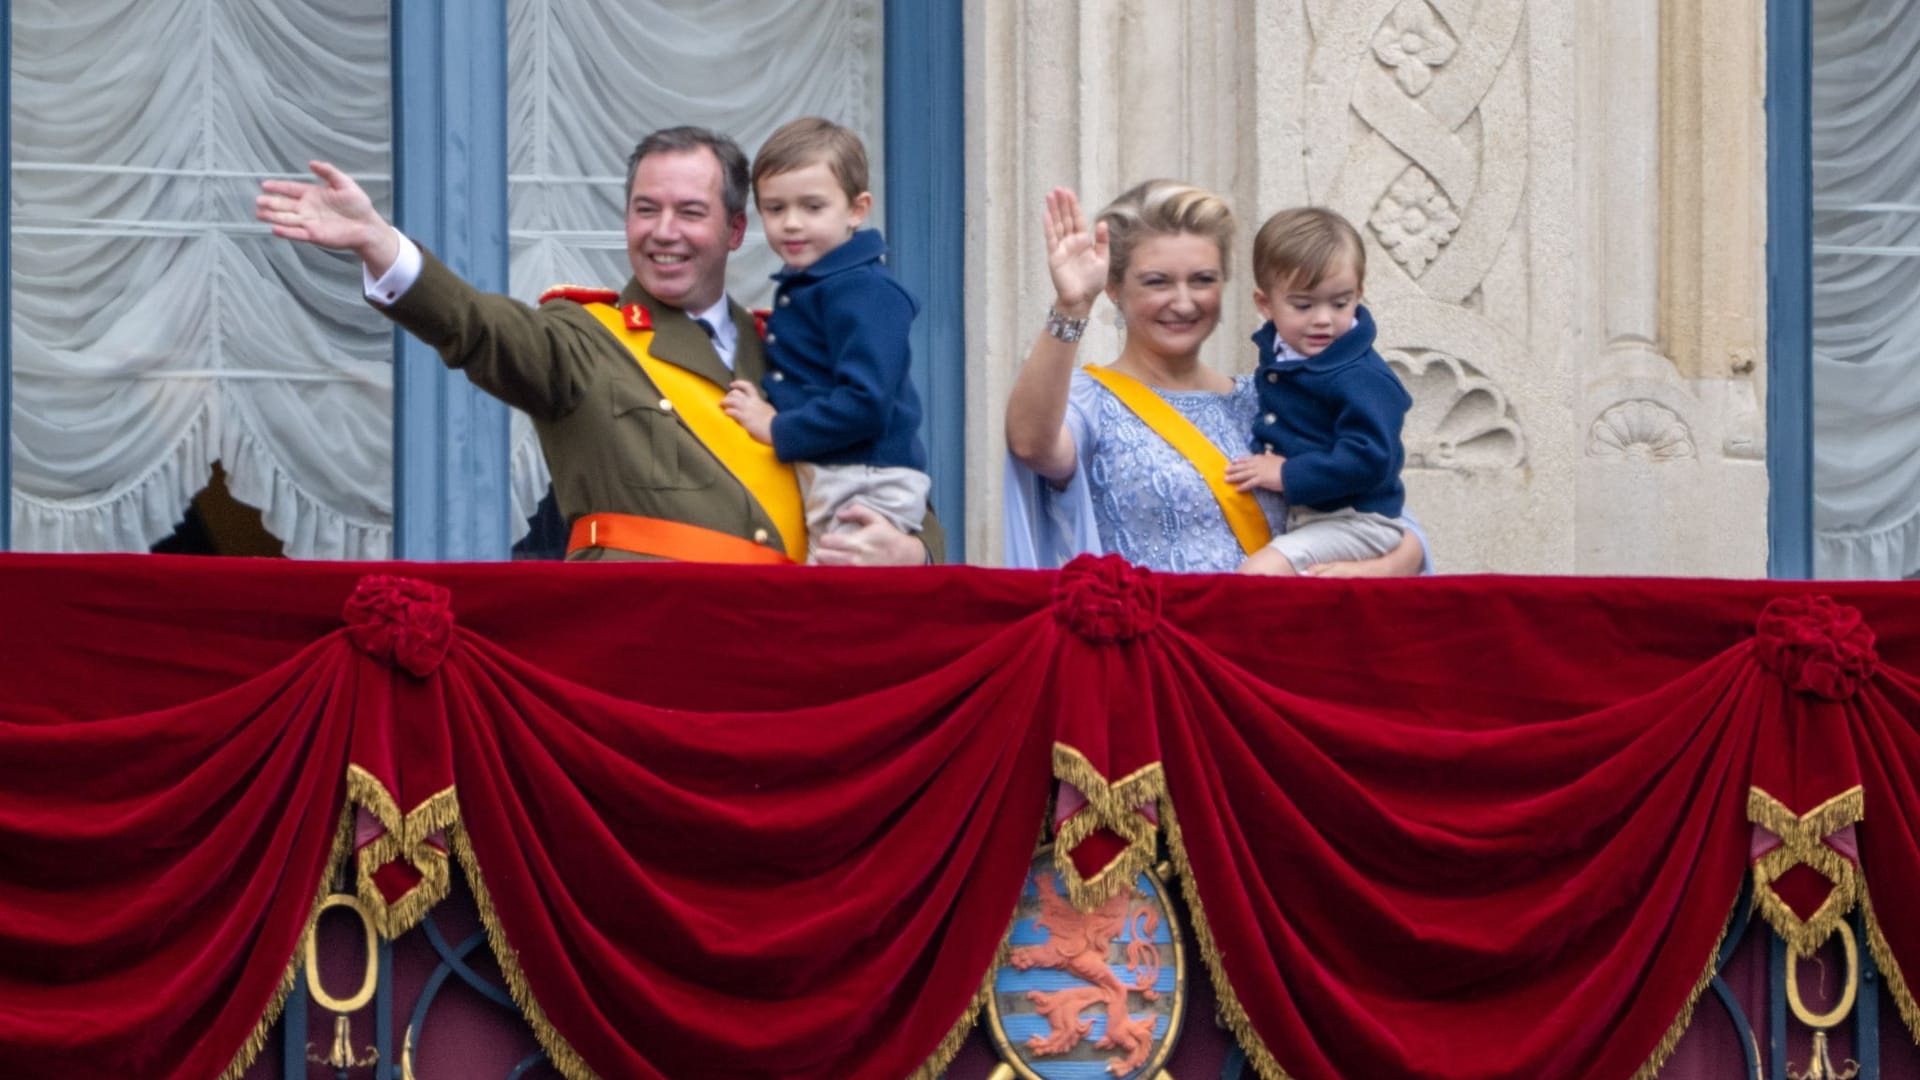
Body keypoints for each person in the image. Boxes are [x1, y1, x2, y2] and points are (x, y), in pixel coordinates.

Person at [254, 126, 940, 565]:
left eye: (690, 212)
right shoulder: (586, 339)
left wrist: (912, 555)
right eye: (646, 209)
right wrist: (382, 246)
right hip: (647, 666)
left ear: (735, 231)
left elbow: (885, 468)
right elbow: (479, 328)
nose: (663, 231)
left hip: (787, 666)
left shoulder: (787, 348)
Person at [1002, 181, 1424, 576]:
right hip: (1153, 649)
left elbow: (1379, 513)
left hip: (1273, 643)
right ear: (1114, 287)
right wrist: (1072, 305)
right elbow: (1031, 444)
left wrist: (1387, 566)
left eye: (1202, 280)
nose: (1183, 302)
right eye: (1157, 281)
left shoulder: (1271, 397)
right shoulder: (1091, 400)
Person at [719, 118, 930, 563]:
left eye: (812, 207)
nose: (791, 224)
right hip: (839, 470)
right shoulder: (818, 283)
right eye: (775, 209)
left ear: (857, 209)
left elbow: (867, 403)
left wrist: (776, 427)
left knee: (840, 596)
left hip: (864, 477)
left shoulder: (866, 290)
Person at [1224, 207, 1412, 575]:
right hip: (1316, 518)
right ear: (1265, 304)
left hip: (1359, 521)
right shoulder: (1284, 355)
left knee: (1257, 576)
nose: (1323, 318)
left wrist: (1288, 474)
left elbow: (1372, 458)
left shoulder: (1361, 374)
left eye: (1340, 303)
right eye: (1303, 305)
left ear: (1359, 294)